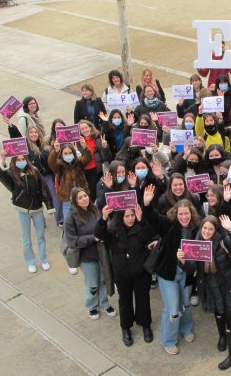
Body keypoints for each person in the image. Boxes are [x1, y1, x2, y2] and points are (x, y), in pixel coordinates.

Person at [180, 215, 231, 370]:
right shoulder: (196, 243)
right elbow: (191, 269)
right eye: (204, 228)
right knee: (218, 314)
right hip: (209, 286)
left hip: (229, 285)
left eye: (210, 228)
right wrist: (183, 261)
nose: (207, 231)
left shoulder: (222, 240)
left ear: (215, 230)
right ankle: (222, 337)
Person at [142, 186, 198, 355]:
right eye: (180, 214)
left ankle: (186, 329)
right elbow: (152, 216)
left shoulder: (197, 227)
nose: (184, 217)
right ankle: (169, 340)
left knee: (186, 304)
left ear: (191, 213)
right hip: (168, 273)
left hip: (187, 272)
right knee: (173, 309)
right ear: (176, 213)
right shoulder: (168, 225)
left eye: (186, 213)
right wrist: (146, 203)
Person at [95, 204, 154, 346]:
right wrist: (103, 218)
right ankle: (126, 328)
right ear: (121, 217)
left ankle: (145, 325)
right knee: (125, 300)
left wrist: (141, 220)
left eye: (132, 215)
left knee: (143, 299)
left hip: (140, 272)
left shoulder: (140, 226)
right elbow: (99, 234)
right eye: (127, 216)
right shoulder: (114, 231)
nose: (130, 219)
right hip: (122, 273)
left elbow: (150, 235)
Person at [65, 188, 116, 319]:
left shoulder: (95, 209)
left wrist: (105, 222)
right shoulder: (71, 217)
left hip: (101, 252)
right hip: (86, 256)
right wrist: (92, 238)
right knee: (92, 283)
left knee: (104, 280)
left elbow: (104, 226)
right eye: (80, 197)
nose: (84, 199)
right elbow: (72, 241)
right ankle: (91, 306)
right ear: (75, 201)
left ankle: (104, 304)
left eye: (85, 196)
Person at [0, 151, 49, 273]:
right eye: (18, 160)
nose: (21, 162)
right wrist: (3, 160)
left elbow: (43, 188)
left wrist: (49, 205)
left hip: (37, 209)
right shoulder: (12, 173)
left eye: (22, 159)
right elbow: (1, 175)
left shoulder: (34, 171)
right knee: (26, 238)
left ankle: (43, 259)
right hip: (22, 210)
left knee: (41, 236)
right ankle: (31, 262)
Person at [47, 139, 92, 219]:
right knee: (68, 221)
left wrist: (85, 147)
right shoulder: (59, 165)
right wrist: (55, 151)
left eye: (70, 153)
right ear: (62, 155)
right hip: (67, 199)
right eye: (65, 153)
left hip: (80, 197)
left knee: (84, 220)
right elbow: (51, 162)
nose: (68, 155)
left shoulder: (79, 162)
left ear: (74, 153)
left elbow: (88, 158)